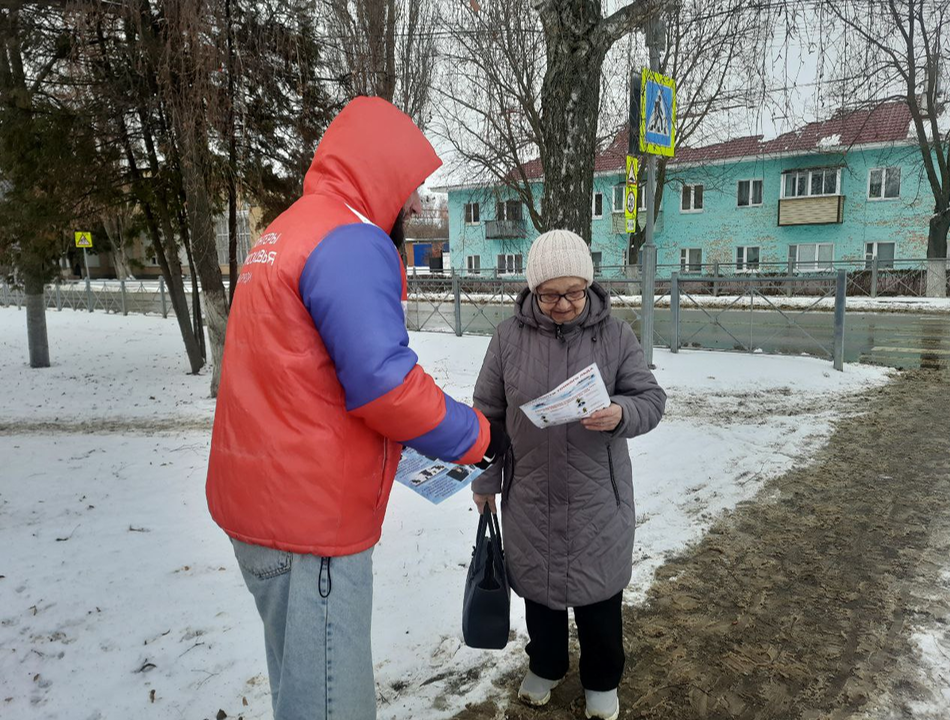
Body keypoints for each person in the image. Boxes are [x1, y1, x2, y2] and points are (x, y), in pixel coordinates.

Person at [206, 97, 507, 720]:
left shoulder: (286, 230)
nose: (419, 205)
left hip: (260, 504)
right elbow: (384, 385)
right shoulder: (350, 239)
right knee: (329, 704)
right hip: (309, 521)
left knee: (300, 686)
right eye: (413, 187)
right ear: (380, 174)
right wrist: (480, 436)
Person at [472, 229, 667, 720]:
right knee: (540, 594)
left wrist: (620, 413)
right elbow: (488, 415)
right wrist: (483, 480)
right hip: (531, 491)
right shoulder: (506, 338)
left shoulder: (616, 336)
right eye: (550, 294)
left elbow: (651, 400)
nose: (563, 304)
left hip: (597, 494)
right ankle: (547, 665)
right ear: (532, 290)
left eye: (574, 292)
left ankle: (602, 680)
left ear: (589, 286)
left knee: (599, 595)